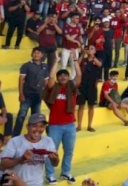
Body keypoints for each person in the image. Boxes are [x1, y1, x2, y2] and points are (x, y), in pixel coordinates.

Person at [43, 54, 82, 185]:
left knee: (69, 151)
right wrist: (57, 61)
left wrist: (75, 60)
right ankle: (50, 175)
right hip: (55, 125)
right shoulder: (53, 87)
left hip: (70, 125)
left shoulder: (72, 88)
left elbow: (79, 76)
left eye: (65, 75)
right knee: (51, 152)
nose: (63, 77)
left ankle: (66, 172)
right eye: (61, 75)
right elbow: (51, 77)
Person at [0, 113, 59, 186]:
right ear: (27, 127)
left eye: (41, 126)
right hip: (15, 183)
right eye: (34, 126)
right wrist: (21, 159)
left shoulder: (48, 141)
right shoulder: (15, 141)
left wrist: (55, 159)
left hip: (37, 183)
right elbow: (2, 164)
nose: (38, 129)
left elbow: (55, 164)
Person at [13, 48, 50, 136]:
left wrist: (44, 94)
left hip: (38, 96)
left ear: (41, 55)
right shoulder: (26, 65)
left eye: (38, 53)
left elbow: (46, 82)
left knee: (36, 118)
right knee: (21, 116)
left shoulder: (45, 66)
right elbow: (21, 80)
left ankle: (34, 135)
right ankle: (15, 136)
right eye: (34, 53)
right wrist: (21, 94)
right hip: (27, 95)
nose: (36, 54)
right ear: (32, 54)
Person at [76, 45, 103, 131]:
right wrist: (83, 54)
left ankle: (89, 125)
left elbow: (100, 65)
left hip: (92, 87)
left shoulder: (97, 60)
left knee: (91, 107)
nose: (90, 50)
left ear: (95, 51)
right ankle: (79, 126)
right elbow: (77, 64)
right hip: (82, 86)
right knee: (81, 106)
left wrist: (92, 56)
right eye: (88, 49)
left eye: (92, 49)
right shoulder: (83, 59)